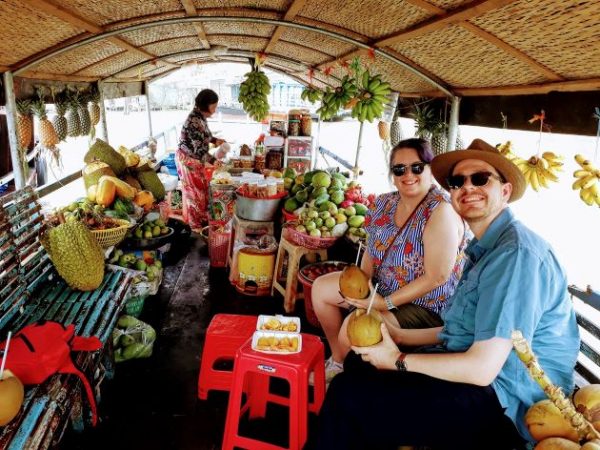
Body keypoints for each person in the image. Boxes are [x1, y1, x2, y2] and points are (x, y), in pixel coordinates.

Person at [314, 139, 580, 450]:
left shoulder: (516, 255)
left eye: (480, 179)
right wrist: (400, 337)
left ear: (504, 191)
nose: (468, 188)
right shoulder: (487, 249)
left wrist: (398, 360)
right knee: (359, 368)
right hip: (479, 376)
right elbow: (467, 331)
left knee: (350, 397)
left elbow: (481, 369)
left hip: (507, 400)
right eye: (457, 181)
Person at [311, 138, 468, 382]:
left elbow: (437, 276)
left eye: (417, 167)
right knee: (321, 289)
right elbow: (372, 250)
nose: (408, 175)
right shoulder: (385, 203)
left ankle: (340, 373)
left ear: (430, 170)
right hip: (382, 289)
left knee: (350, 327)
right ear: (392, 173)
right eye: (399, 169)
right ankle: (337, 359)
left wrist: (385, 304)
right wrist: (364, 287)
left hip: (424, 305)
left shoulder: (440, 211)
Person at [176, 89, 228, 231]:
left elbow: (204, 135)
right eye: (214, 106)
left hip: (196, 158)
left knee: (203, 190)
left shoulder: (200, 117)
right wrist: (213, 161)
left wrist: (215, 140)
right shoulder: (194, 121)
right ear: (205, 105)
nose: (215, 110)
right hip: (188, 159)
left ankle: (202, 219)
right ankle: (195, 227)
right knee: (194, 193)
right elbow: (199, 150)